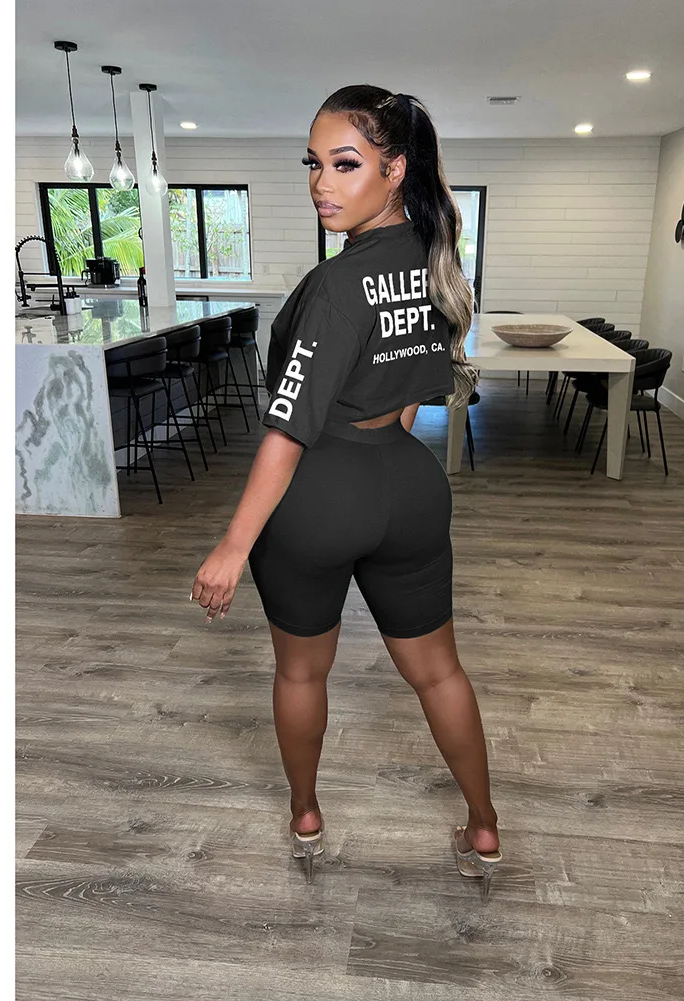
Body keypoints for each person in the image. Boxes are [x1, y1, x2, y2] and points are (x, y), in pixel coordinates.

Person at [190, 85, 502, 895]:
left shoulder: (335, 286)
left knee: (301, 673)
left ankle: (305, 815)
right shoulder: (433, 258)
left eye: (345, 164)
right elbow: (410, 397)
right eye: (313, 164)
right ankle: (482, 824)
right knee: (439, 672)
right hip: (408, 482)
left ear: (394, 170)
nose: (320, 184)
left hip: (320, 492)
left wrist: (231, 546)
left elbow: (288, 431)